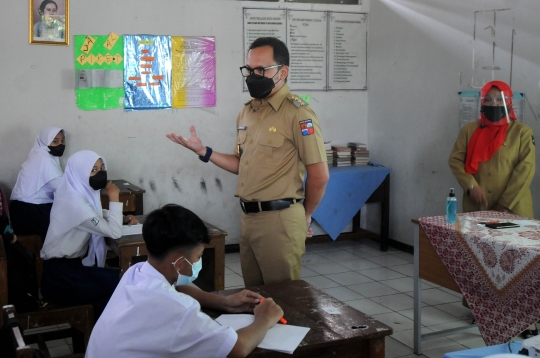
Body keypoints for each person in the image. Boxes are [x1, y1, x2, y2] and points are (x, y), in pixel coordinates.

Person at [166, 37, 329, 287]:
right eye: (249, 69)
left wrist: (305, 215)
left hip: (281, 220)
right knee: (255, 296)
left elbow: (319, 175)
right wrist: (204, 151)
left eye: (261, 70)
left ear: (282, 72)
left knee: (282, 299)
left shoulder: (298, 113)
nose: (253, 75)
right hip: (248, 218)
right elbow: (241, 165)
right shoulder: (247, 112)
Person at [86, 204, 283, 358]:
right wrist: (264, 318)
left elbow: (177, 287)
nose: (199, 262)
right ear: (179, 263)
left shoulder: (135, 273)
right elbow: (237, 348)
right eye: (198, 257)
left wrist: (224, 301)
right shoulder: (180, 310)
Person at [40, 150, 138, 319]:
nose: (100, 174)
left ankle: (101, 334)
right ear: (79, 173)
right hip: (61, 278)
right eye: (93, 170)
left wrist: (120, 218)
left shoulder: (73, 193)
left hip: (71, 269)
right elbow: (113, 232)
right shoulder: (74, 203)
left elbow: (94, 214)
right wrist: (114, 197)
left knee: (111, 295)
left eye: (102, 168)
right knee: (124, 281)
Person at [449, 80, 535, 218]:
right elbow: (455, 161)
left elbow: (526, 169)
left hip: (513, 209)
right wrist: (471, 186)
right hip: (477, 206)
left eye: (500, 100)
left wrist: (504, 204)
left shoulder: (522, 132)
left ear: (509, 102)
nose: (493, 104)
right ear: (482, 102)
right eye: (488, 100)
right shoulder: (469, 130)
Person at [10, 126, 65, 238]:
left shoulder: (39, 154)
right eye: (55, 141)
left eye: (63, 140)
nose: (61, 144)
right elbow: (61, 188)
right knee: (67, 227)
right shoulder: (45, 160)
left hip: (23, 209)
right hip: (31, 211)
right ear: (45, 141)